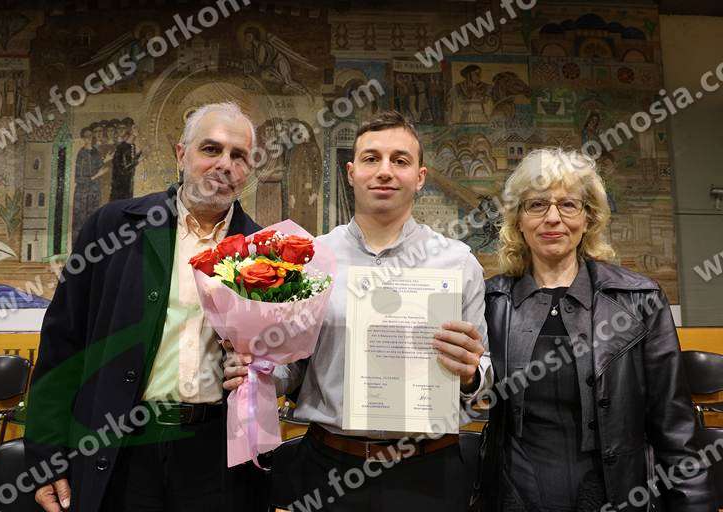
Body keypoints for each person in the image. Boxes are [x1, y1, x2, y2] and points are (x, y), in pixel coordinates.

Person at [225, 110, 492, 511]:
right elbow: (292, 368)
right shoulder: (310, 259)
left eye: (400, 160)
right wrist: (254, 371)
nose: (384, 171)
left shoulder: (458, 263)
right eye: (371, 159)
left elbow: (484, 380)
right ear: (351, 173)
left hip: (429, 472)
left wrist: (470, 374)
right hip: (328, 467)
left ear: (420, 176)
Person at [25, 102, 270, 511]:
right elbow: (61, 345)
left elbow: (280, 357)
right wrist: (46, 456)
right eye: (211, 149)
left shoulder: (264, 250)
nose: (225, 165)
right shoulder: (113, 228)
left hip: (217, 454)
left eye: (239, 156)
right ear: (181, 154)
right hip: (121, 447)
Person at [479, 148, 713, 511]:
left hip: (615, 497)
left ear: (588, 218)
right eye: (537, 205)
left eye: (568, 205)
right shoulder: (491, 301)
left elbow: (675, 427)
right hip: (514, 497)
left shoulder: (640, 300)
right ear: (518, 220)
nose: (552, 218)